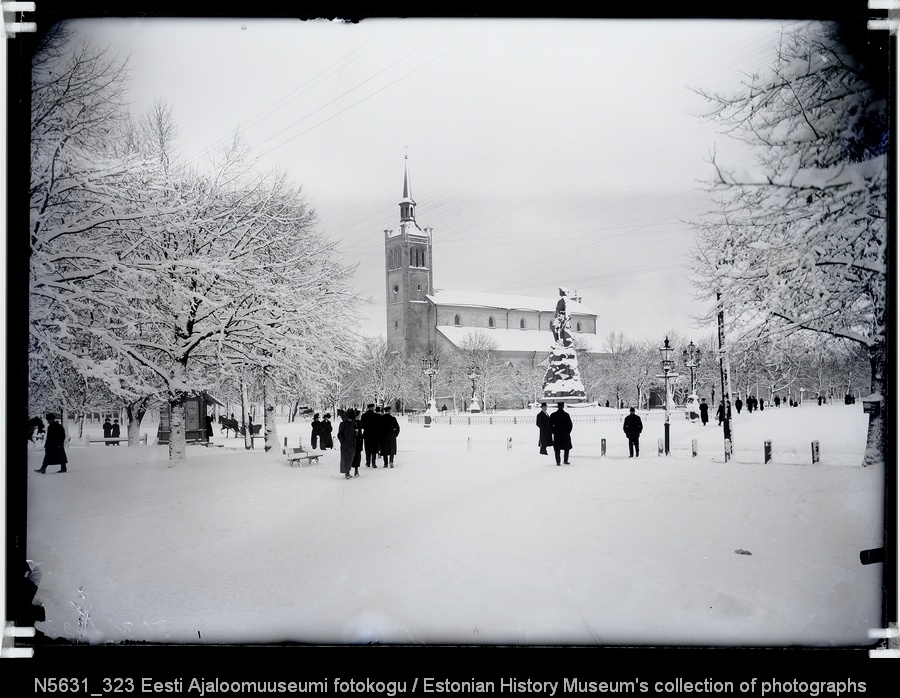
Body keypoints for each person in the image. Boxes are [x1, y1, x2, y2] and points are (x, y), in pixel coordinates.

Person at [338, 408, 357, 479]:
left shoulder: (354, 423)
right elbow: (339, 434)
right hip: (345, 444)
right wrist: (343, 441)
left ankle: (348, 471)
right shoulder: (343, 424)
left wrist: (356, 433)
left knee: (350, 458)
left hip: (352, 444)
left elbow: (355, 433)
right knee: (345, 459)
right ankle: (347, 473)